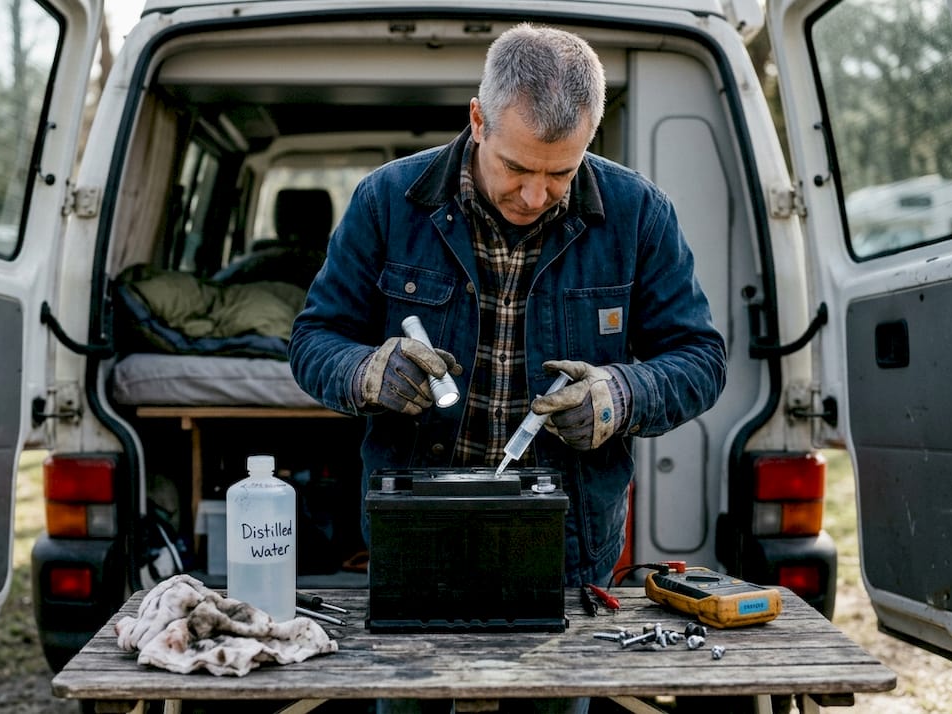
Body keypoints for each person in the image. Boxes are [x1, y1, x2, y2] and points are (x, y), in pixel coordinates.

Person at [289, 23, 726, 590]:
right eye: (516, 167)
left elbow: (701, 359)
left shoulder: (639, 214)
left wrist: (621, 394)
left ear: (589, 137)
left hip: (569, 541)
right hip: (416, 525)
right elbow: (313, 340)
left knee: (561, 684)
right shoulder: (386, 201)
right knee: (410, 679)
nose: (535, 195)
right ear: (477, 121)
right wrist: (366, 372)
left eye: (561, 173)